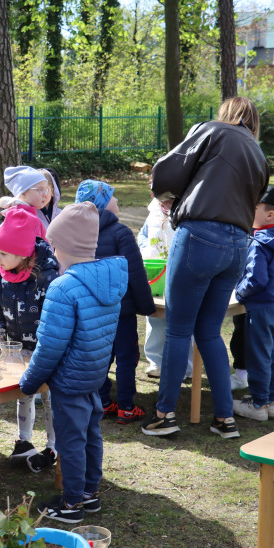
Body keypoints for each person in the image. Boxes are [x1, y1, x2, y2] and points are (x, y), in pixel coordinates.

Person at [141, 96, 269, 440]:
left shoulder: (211, 131)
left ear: (226, 115)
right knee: (210, 332)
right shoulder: (258, 153)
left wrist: (167, 197)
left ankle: (165, 413)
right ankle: (225, 418)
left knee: (179, 329)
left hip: (199, 236)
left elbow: (166, 170)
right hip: (238, 245)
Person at [20, 202, 128, 524]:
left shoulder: (63, 288)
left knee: (71, 441)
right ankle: (89, 494)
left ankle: (71, 504)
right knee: (91, 434)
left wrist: (28, 381)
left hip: (68, 381)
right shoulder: (108, 281)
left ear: (60, 245)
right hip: (94, 376)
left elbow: (50, 346)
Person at [75, 179, 156, 424]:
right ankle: (127, 406)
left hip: (93, 312)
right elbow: (136, 272)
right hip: (122, 311)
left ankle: (103, 401)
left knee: (101, 357)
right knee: (127, 357)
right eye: (112, 196)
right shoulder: (121, 232)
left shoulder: (78, 233)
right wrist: (147, 306)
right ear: (101, 203)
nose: (117, 200)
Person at [0, 205, 60, 472]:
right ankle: (24, 441)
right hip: (16, 351)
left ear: (23, 253)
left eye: (3, 253)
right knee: (25, 394)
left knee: (51, 398)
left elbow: (53, 320)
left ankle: (53, 445)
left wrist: (45, 352)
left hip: (44, 352)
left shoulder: (46, 278)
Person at [232, 186, 274, 421]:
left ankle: (258, 405)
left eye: (254, 208)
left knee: (258, 357)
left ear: (270, 215)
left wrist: (239, 293)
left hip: (259, 309)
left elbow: (255, 279)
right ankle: (270, 401)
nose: (249, 212)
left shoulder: (259, 243)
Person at [137, 196, 192, 381]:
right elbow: (143, 235)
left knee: (184, 318)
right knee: (155, 316)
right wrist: (147, 250)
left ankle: (187, 365)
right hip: (157, 270)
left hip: (182, 269)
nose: (162, 201)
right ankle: (156, 361)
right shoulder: (153, 212)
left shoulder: (187, 210)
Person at [0, 166, 54, 230]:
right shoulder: (22, 218)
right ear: (23, 193)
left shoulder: (27, 214)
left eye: (46, 190)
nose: (45, 194)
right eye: (40, 189)